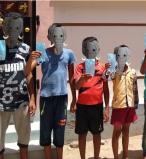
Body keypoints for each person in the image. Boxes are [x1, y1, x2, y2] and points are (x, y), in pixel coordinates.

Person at [26, 23, 76, 159]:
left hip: (62, 99)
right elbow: (27, 71)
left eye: (60, 34)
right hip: (45, 99)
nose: (57, 37)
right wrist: (32, 58)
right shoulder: (44, 53)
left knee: (60, 131)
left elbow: (72, 79)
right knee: (46, 132)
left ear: (64, 36)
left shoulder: (69, 54)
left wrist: (74, 100)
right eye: (54, 34)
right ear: (50, 36)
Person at [0, 12, 36, 159]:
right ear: (4, 28)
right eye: (10, 27)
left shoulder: (26, 49)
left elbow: (29, 75)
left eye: (17, 28)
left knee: (24, 140)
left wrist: (32, 98)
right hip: (1, 103)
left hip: (21, 101)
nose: (13, 31)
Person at [73, 37, 110, 159]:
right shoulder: (79, 67)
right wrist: (83, 79)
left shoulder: (103, 67)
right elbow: (76, 87)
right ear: (84, 50)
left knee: (97, 134)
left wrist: (107, 107)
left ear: (98, 49)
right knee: (82, 134)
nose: (91, 51)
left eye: (94, 48)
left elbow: (106, 88)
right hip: (82, 106)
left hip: (97, 106)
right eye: (88, 49)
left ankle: (96, 157)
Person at [108, 45, 139, 159]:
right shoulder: (114, 71)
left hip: (129, 106)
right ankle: (116, 157)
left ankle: (125, 155)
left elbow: (135, 89)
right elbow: (106, 77)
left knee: (126, 130)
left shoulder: (132, 72)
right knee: (117, 132)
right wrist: (110, 66)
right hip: (118, 106)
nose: (122, 57)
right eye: (119, 55)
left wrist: (135, 105)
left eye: (125, 55)